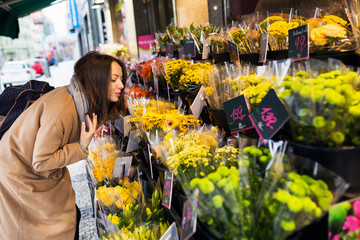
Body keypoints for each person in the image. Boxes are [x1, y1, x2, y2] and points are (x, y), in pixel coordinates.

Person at [0, 51, 127, 240]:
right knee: (51, 228)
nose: (121, 85)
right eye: (113, 79)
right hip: (21, 176)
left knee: (69, 215)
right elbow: (41, 162)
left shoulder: (79, 99)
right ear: (96, 80)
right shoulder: (62, 112)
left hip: (34, 172)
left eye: (122, 79)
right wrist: (81, 147)